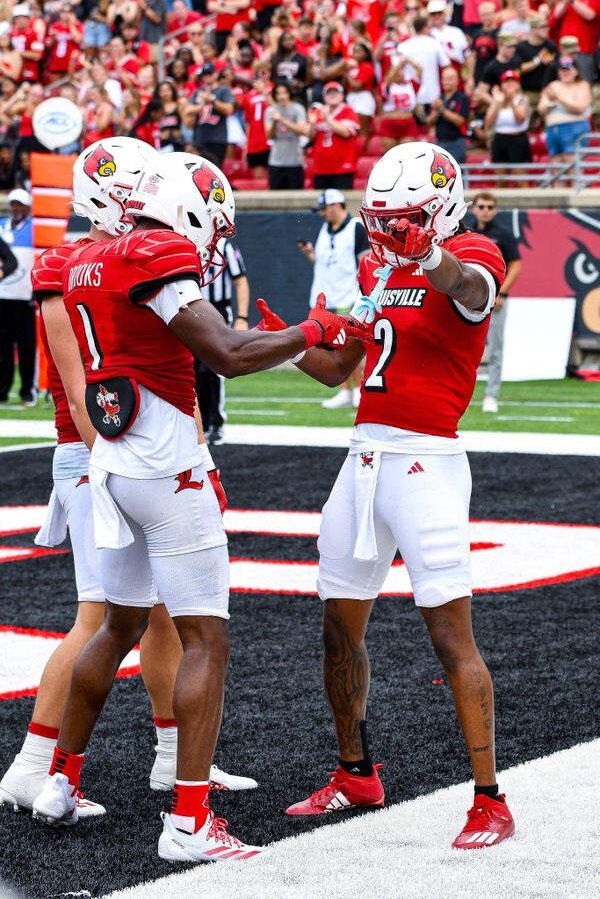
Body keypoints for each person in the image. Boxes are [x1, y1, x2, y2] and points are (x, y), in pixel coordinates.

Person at [31, 150, 371, 862]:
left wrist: (279, 337)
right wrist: (311, 333)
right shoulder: (157, 249)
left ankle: (61, 780)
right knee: (205, 640)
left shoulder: (95, 255)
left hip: (114, 464)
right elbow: (223, 352)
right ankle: (189, 821)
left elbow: (210, 342)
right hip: (163, 467)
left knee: (115, 627)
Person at [259, 142, 515, 850]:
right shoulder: (376, 264)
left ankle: (490, 799)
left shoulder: (473, 250)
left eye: (401, 219)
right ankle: (355, 771)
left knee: (448, 634)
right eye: (382, 219)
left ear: (436, 210)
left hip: (426, 461)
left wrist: (428, 254)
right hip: (362, 456)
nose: (385, 231)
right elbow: (342, 364)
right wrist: (282, 339)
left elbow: (468, 290)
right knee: (337, 628)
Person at [0, 140, 255, 817]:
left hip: (135, 447)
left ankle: (174, 758)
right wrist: (112, 466)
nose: (142, 204)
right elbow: (87, 395)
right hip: (97, 451)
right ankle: (33, 767)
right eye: (129, 191)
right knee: (101, 619)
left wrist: (200, 454)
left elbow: (176, 377)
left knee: (164, 618)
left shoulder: (128, 259)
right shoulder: (74, 264)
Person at [298, 188, 369, 409]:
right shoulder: (324, 229)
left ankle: (359, 389)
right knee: (331, 346)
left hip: (347, 293)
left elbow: (364, 262)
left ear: (336, 205)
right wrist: (309, 253)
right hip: (325, 296)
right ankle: (345, 391)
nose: (321, 214)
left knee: (348, 344)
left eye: (324, 209)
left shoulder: (356, 227)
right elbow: (323, 263)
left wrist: (362, 295)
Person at [465, 192, 522, 413]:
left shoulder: (504, 234)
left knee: (496, 349)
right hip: (467, 299)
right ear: (474, 209)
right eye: (482, 206)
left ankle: (491, 394)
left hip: (495, 299)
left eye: (490, 207)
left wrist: (502, 293)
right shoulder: (466, 231)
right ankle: (463, 394)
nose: (486, 210)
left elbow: (516, 266)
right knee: (465, 348)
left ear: (495, 210)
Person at [195, 239, 250, 446]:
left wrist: (242, 317)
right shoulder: (187, 241)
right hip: (191, 311)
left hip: (217, 311)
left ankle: (216, 423)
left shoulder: (225, 246)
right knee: (191, 371)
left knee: (211, 370)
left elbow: (240, 280)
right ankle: (201, 424)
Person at [0, 189, 35, 406]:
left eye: (20, 205)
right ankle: (2, 390)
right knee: (2, 348)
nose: (16, 208)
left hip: (25, 296)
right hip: (3, 295)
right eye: (13, 204)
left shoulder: (35, 228)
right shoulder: (1, 225)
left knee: (26, 348)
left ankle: (27, 391)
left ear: (28, 207)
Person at [538, 55, 592, 167]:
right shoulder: (552, 85)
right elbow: (541, 109)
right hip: (552, 130)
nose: (565, 72)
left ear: (576, 71)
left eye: (568, 69)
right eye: (562, 69)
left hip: (574, 128)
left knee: (573, 167)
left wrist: (558, 99)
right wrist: (550, 104)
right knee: (556, 169)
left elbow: (580, 107)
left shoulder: (582, 85)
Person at [307, 81, 360, 190]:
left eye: (335, 92)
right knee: (322, 204)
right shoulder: (318, 112)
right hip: (320, 168)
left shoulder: (348, 111)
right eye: (329, 93)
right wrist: (312, 125)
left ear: (342, 95)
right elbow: (311, 136)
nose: (332, 95)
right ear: (324, 96)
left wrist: (327, 120)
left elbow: (346, 132)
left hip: (342, 167)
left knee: (341, 202)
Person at [185, 62, 235, 166]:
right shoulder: (198, 91)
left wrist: (212, 100)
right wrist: (201, 105)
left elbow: (229, 109)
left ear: (215, 74)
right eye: (205, 75)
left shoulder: (223, 90)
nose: (207, 77)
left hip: (218, 139)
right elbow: (187, 110)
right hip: (199, 138)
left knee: (214, 171)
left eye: (210, 74)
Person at [485, 70, 531, 181]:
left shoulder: (522, 99)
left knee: (520, 179)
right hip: (500, 139)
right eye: (506, 82)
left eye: (513, 81)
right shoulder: (497, 100)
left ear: (518, 84)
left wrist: (511, 102)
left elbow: (520, 118)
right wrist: (497, 102)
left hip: (517, 139)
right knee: (500, 179)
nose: (509, 84)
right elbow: (489, 120)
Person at [398, 15, 451, 106]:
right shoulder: (434, 43)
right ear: (425, 28)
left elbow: (397, 70)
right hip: (432, 95)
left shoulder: (403, 46)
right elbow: (447, 65)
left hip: (410, 95)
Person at [264, 81, 308, 189]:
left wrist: (281, 120)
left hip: (295, 161)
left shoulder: (298, 109)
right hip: (276, 161)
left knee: (296, 199)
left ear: (289, 94)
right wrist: (275, 122)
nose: (282, 96)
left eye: (284, 93)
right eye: (278, 94)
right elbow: (269, 136)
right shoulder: (270, 111)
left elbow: (302, 130)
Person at [547, 0, 600, 83]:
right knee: (564, 81)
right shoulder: (564, 1)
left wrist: (572, 1)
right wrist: (564, 2)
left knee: (583, 81)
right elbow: (556, 15)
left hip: (583, 52)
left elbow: (590, 15)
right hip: (564, 51)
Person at [427, 66, 469, 163]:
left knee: (455, 173)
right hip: (439, 142)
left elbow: (459, 121)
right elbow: (428, 122)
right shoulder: (439, 98)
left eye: (449, 79)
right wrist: (436, 111)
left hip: (456, 143)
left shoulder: (462, 98)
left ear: (457, 81)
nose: (446, 82)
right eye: (444, 79)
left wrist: (441, 110)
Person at [378, 56, 421, 152]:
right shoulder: (386, 85)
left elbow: (419, 69)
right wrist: (400, 64)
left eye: (401, 71)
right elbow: (390, 78)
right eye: (396, 71)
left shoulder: (411, 84)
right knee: (390, 155)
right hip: (389, 123)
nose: (399, 73)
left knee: (407, 154)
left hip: (407, 122)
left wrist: (407, 60)